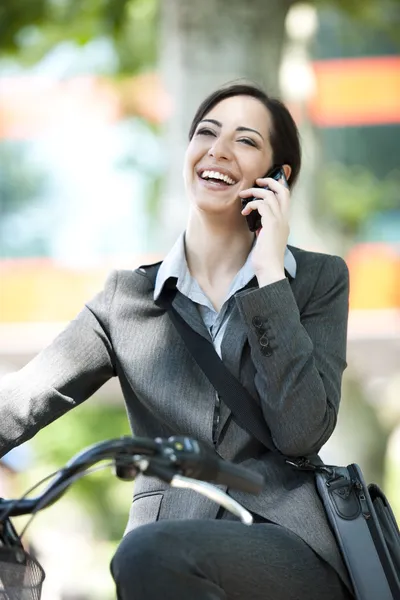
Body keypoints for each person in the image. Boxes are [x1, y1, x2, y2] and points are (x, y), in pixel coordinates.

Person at [0, 82, 353, 600]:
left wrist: (270, 277)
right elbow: (21, 400)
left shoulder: (317, 280)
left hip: (290, 544)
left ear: (279, 178)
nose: (218, 149)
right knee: (148, 555)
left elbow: (303, 432)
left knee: (148, 553)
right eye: (206, 132)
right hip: (165, 555)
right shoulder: (126, 300)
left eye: (246, 140)